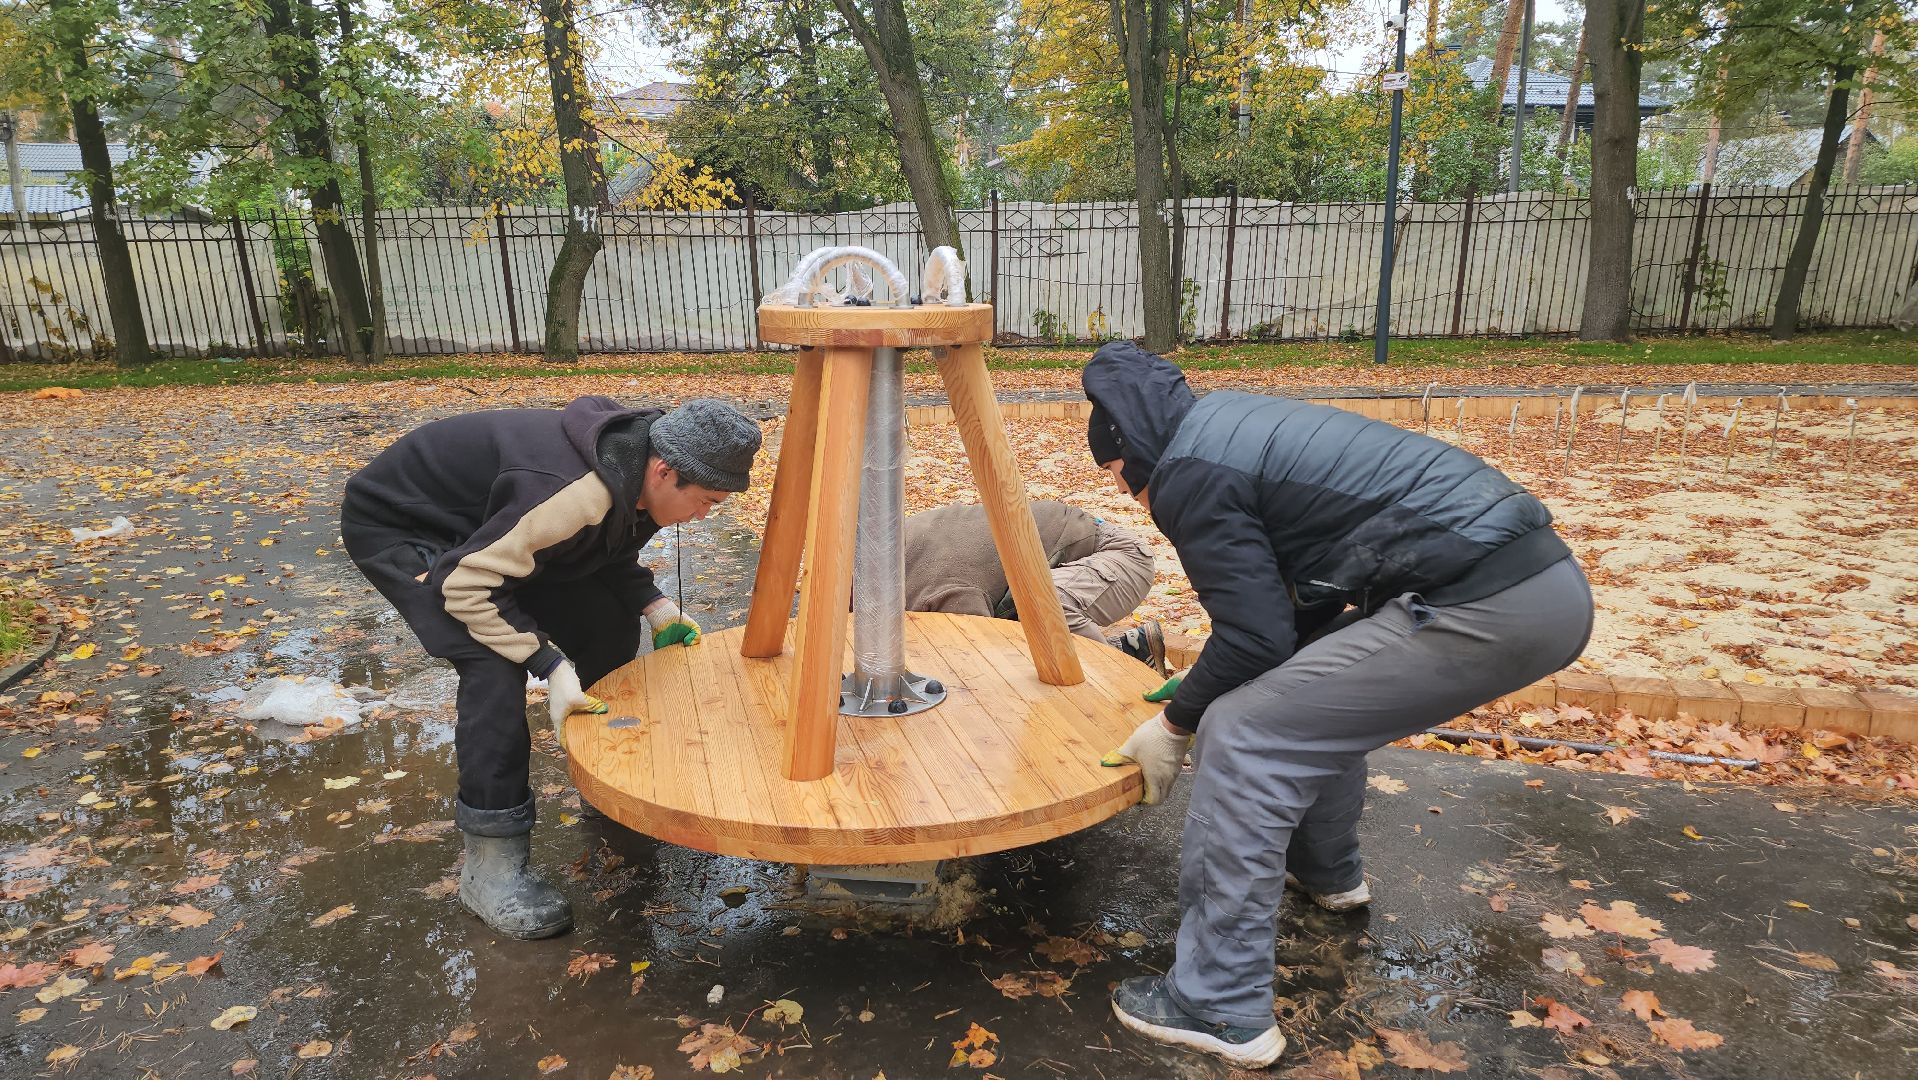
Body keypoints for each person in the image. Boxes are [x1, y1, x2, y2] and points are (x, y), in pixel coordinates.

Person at [1084, 343, 1592, 1069]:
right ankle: (1327, 874)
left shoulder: (1185, 471)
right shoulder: (1227, 428)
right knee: (1300, 697)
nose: (1127, 494)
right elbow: (1296, 618)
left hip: (1485, 604)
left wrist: (1177, 722)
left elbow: (1256, 639)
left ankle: (1218, 1003)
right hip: (1539, 585)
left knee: (1243, 733)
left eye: (1116, 476)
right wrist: (1206, 678)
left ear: (1131, 452)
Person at [339, 395, 761, 940]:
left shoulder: (641, 468)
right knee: (493, 665)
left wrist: (653, 605)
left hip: (497, 530)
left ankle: (604, 777)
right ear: (663, 471)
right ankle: (491, 867)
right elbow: (466, 586)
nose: (703, 515)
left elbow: (603, 544)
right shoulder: (571, 491)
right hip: (409, 527)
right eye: (705, 501)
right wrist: (549, 663)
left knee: (608, 622)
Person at [903, 500, 1165, 672]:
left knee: (1044, 607)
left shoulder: (931, 588)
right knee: (1021, 617)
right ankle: (1133, 649)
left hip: (1119, 555)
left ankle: (1118, 686)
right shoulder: (897, 541)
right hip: (1071, 557)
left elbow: (978, 654)